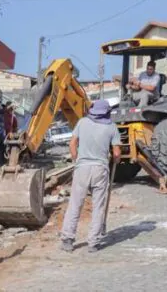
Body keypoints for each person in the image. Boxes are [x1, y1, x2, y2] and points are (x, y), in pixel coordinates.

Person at [60, 100, 121, 253]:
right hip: (100, 169)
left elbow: (72, 144)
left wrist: (76, 159)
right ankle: (93, 242)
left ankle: (68, 239)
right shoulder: (111, 127)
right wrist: (116, 160)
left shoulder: (82, 123)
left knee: (75, 204)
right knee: (98, 206)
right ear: (107, 113)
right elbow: (117, 153)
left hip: (82, 168)